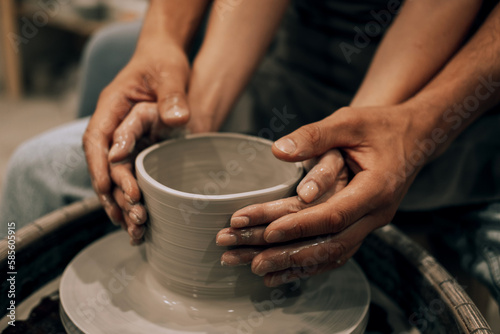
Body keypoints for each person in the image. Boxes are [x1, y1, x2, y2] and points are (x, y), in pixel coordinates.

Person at [2, 0, 500, 300]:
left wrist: (414, 128)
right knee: (35, 170)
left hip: (459, 118)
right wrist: (192, 109)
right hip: (286, 92)